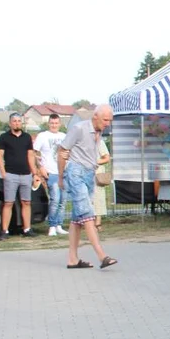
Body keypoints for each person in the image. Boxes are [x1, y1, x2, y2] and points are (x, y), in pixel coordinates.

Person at [59, 105, 116, 269]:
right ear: (96, 116)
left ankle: (72, 259)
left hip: (89, 174)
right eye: (105, 120)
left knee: (77, 220)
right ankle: (102, 256)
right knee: (88, 214)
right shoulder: (79, 128)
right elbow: (62, 151)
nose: (107, 124)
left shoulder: (98, 132)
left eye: (109, 121)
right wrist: (61, 176)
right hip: (75, 172)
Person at [0, 112, 39, 239]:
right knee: (8, 203)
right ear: (10, 123)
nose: (16, 123)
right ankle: (5, 231)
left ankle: (27, 229)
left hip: (26, 175)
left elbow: (30, 156)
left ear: (22, 123)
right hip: (11, 174)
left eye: (19, 121)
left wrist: (34, 173)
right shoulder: (4, 137)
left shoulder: (27, 137)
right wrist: (3, 173)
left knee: (26, 202)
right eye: (14, 121)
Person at [34, 113, 67, 236]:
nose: (54, 125)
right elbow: (34, 153)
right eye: (52, 123)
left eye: (56, 123)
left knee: (63, 200)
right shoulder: (42, 136)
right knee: (55, 199)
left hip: (63, 172)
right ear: (49, 123)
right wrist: (40, 167)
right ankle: (52, 226)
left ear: (59, 124)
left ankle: (59, 224)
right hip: (51, 172)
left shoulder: (64, 136)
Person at [91, 136, 111, 231]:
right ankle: (88, 223)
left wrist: (94, 162)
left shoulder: (99, 142)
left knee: (98, 198)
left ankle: (98, 223)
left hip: (97, 174)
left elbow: (107, 158)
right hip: (83, 173)